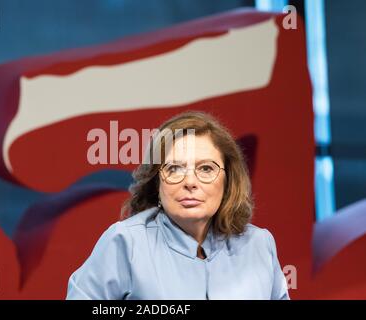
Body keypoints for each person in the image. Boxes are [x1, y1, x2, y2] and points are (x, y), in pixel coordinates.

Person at [66, 111, 289, 300]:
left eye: (206, 169)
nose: (190, 182)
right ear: (157, 182)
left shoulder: (260, 245)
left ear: (228, 179)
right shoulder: (125, 242)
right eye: (174, 169)